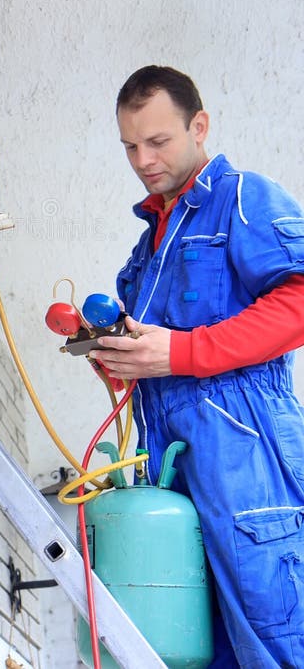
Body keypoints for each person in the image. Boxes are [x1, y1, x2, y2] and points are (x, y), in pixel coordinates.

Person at [91, 65, 304, 668]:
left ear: (199, 126)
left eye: (158, 141)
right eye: (130, 146)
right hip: (174, 462)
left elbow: (299, 301)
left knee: (278, 637)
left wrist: (179, 353)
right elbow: (153, 359)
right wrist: (120, 360)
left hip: (248, 452)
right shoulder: (148, 246)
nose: (142, 159)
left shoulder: (243, 198)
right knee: (196, 651)